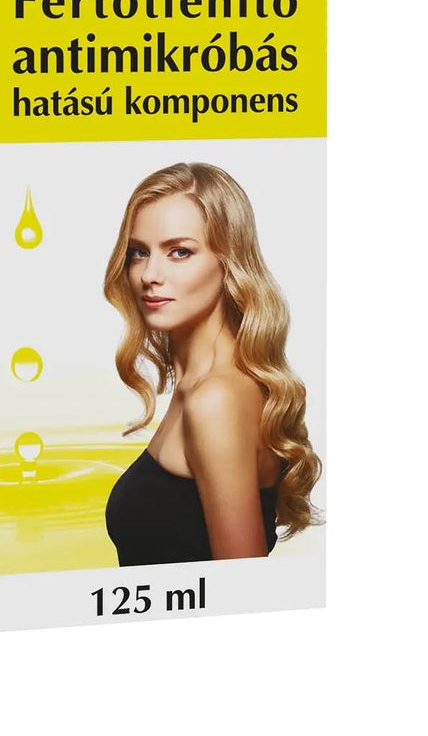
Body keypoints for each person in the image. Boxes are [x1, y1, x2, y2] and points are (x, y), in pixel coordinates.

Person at [103, 162, 320, 565]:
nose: (150, 274)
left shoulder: (216, 399)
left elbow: (242, 587)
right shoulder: (202, 385)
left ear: (229, 260)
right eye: (139, 252)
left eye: (179, 252)